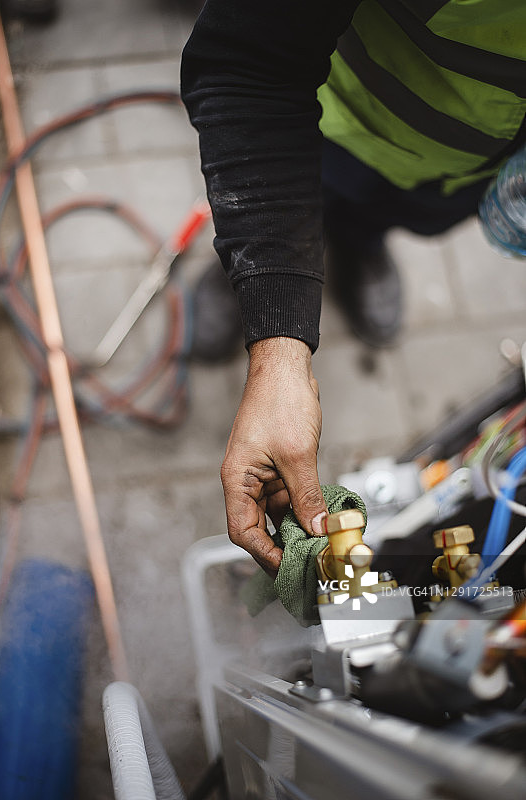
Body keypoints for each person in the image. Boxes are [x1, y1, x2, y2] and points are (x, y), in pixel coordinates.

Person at [181, 0, 526, 576]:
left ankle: (360, 244)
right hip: (329, 117)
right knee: (298, 204)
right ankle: (242, 272)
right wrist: (278, 337)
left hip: (455, 176)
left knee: (385, 215)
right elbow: (248, 61)